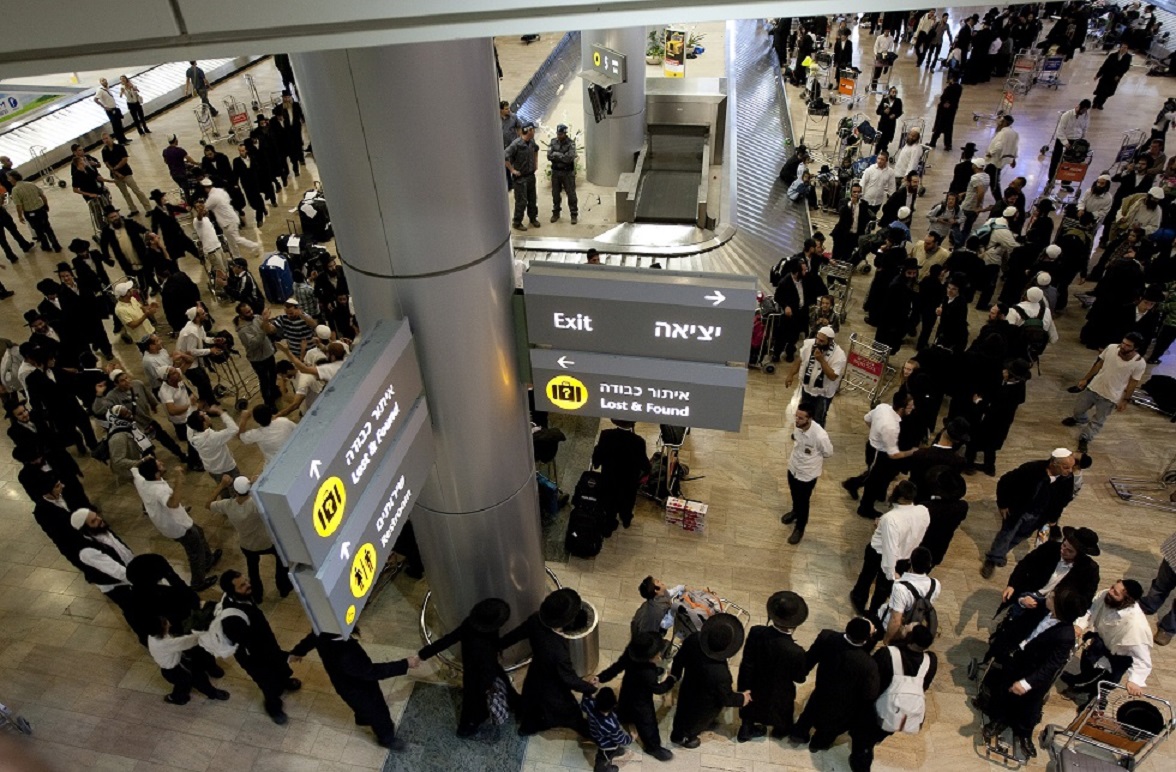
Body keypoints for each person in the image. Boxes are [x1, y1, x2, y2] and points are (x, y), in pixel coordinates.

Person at [978, 589, 1087, 761]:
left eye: (1053, 597)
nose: (1049, 595)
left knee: (1030, 705)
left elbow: (1052, 665)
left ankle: (1023, 733)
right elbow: (1022, 598)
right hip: (1017, 658)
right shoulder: (1043, 606)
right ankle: (999, 720)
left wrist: (1027, 683)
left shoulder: (1066, 635)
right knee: (1004, 691)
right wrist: (1023, 601)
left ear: (1059, 607)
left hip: (1035, 672)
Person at [289, 626, 420, 750]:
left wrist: (297, 652)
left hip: (343, 685)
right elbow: (372, 672)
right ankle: (387, 739)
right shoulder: (347, 655)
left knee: (360, 707)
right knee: (379, 713)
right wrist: (405, 664)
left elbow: (311, 639)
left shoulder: (323, 631)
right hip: (360, 689)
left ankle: (362, 719)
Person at [499, 588, 595, 737]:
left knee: (531, 703)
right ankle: (586, 730)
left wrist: (498, 645)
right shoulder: (558, 651)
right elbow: (568, 678)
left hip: (535, 674)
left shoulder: (535, 620)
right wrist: (589, 687)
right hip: (552, 685)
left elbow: (515, 635)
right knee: (568, 711)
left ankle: (527, 727)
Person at [418, 597, 519, 737]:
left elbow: (448, 640)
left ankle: (515, 704)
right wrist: (488, 686)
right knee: (474, 703)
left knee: (477, 697)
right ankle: (466, 729)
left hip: (475, 670)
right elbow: (487, 670)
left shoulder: (469, 625)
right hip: (480, 676)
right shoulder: (484, 646)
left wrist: (422, 654)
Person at [213, 570, 302, 723]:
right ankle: (274, 708)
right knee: (267, 683)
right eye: (242, 585)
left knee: (279, 668)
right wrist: (286, 656)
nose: (248, 585)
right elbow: (258, 648)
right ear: (232, 591)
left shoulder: (241, 597)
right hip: (253, 657)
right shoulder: (232, 620)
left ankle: (284, 681)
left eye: (246, 581)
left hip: (263, 643)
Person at [851, 624, 937, 772]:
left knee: (863, 739)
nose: (906, 625)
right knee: (881, 731)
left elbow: (870, 679)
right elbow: (924, 685)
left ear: (910, 638)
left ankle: (861, 763)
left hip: (877, 707)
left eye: (909, 627)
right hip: (901, 712)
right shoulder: (931, 661)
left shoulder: (888, 654)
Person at [982, 449, 1079, 577]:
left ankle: (1001, 552)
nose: (1070, 471)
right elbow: (1005, 481)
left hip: (1039, 515)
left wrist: (1053, 518)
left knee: (1020, 536)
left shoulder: (1067, 479)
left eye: (1072, 467)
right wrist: (1003, 503)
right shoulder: (1032, 469)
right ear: (1054, 463)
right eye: (1066, 467)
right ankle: (993, 558)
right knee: (1006, 534)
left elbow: (1062, 500)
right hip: (1018, 511)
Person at [131, 456, 221, 591]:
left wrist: (145, 460)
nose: (162, 463)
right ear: (156, 474)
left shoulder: (141, 480)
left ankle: (208, 560)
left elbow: (133, 468)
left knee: (199, 532)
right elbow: (173, 503)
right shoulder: (158, 491)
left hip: (169, 523)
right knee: (195, 552)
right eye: (159, 465)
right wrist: (179, 481)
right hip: (179, 526)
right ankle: (198, 582)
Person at [791, 617, 880, 751]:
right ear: (866, 638)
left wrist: (801, 674)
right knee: (831, 724)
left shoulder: (827, 637)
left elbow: (810, 659)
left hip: (822, 686)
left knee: (811, 709)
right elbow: (870, 693)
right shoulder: (868, 664)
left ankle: (799, 733)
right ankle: (818, 744)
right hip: (844, 700)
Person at [1063, 580, 1153, 703]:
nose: (1110, 592)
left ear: (1127, 601)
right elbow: (1092, 609)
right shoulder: (1106, 596)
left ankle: (1094, 701)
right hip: (1100, 641)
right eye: (1112, 588)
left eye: (1115, 593)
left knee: (1106, 683)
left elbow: (1142, 658)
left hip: (1120, 655)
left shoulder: (1136, 626)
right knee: (1088, 666)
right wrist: (1080, 625)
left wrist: (1135, 681)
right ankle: (1079, 681)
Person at [669, 613, 749, 748]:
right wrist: (742, 698)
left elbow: (679, 659)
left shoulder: (693, 639)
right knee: (696, 722)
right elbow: (726, 698)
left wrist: (674, 676)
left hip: (688, 687)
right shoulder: (721, 674)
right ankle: (684, 737)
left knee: (683, 711)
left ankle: (682, 732)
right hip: (705, 703)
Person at [850, 480, 930, 615]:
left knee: (869, 576)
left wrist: (891, 573)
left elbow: (890, 548)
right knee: (884, 589)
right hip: (904, 556)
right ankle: (875, 611)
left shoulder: (891, 518)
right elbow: (917, 533)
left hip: (881, 554)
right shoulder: (923, 511)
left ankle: (862, 602)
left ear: (899, 496)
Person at [736, 591, 808, 741]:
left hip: (755, 683)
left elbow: (747, 662)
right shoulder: (796, 652)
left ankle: (746, 728)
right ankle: (780, 731)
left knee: (750, 706)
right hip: (779, 690)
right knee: (783, 711)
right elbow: (799, 678)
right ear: (794, 624)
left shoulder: (756, 632)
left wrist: (744, 687)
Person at [209, 475, 292, 600]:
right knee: (282, 562)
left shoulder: (227, 505)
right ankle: (284, 588)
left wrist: (221, 485)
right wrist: (259, 484)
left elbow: (208, 504)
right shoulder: (256, 503)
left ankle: (257, 594)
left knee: (253, 570)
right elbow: (276, 499)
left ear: (234, 491)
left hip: (247, 545)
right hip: (267, 542)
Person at [596, 632, 676, 761]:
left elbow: (617, 667)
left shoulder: (631, 652)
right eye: (656, 654)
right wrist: (671, 680)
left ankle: (624, 717)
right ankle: (653, 747)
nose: (659, 656)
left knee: (624, 706)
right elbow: (658, 689)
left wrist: (600, 677)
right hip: (641, 700)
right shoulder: (648, 673)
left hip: (628, 687)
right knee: (647, 723)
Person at [1063, 333, 1147, 451]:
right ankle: (1079, 419)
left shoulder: (1139, 363)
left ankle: (1085, 438)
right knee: (1078, 409)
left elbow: (1133, 382)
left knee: (1098, 420)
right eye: (1123, 343)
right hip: (1094, 386)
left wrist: (1125, 400)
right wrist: (1086, 379)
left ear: (1135, 348)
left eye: (1128, 345)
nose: (1123, 346)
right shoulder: (1111, 348)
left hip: (1111, 396)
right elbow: (1099, 364)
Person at [843, 391, 917, 519]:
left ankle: (854, 485)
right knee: (873, 479)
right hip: (879, 453)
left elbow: (867, 419)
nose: (913, 408)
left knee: (876, 476)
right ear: (901, 409)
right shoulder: (891, 427)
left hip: (873, 447)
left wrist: (876, 432)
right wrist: (911, 452)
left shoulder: (882, 407)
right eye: (910, 406)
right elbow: (893, 455)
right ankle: (864, 507)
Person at [780, 402, 834, 545]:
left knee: (803, 501)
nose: (796, 420)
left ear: (809, 419)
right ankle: (795, 511)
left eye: (801, 418)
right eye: (796, 416)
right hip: (793, 467)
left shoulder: (820, 436)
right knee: (794, 493)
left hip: (807, 474)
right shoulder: (798, 426)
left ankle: (800, 528)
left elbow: (828, 452)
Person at [147, 615, 229, 705]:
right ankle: (211, 693)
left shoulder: (152, 637)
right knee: (197, 680)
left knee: (184, 686)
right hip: (176, 670)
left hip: (173, 667)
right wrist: (203, 634)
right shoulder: (165, 643)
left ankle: (179, 698)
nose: (169, 624)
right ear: (161, 629)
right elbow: (187, 642)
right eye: (166, 624)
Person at [590, 420, 651, 533]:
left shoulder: (606, 435)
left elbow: (598, 456)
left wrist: (597, 463)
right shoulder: (638, 441)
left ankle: (610, 522)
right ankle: (626, 519)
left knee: (609, 502)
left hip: (609, 479)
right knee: (627, 502)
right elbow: (644, 464)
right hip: (628, 482)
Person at [785, 327, 845, 426]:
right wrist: (790, 375)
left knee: (818, 418)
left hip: (823, 393)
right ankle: (802, 431)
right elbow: (800, 360)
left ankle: (816, 434)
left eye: (821, 341)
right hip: (807, 388)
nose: (817, 342)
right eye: (817, 338)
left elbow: (833, 376)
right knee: (804, 414)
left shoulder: (839, 355)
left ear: (830, 341)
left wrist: (821, 360)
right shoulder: (809, 344)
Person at [175, 305, 223, 406]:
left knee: (203, 384)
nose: (206, 314)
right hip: (189, 365)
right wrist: (210, 350)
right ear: (196, 317)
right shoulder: (192, 332)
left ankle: (204, 402)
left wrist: (214, 340)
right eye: (203, 314)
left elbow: (203, 339)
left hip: (194, 362)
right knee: (204, 384)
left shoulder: (199, 326)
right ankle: (212, 405)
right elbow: (192, 351)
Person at [581, 687, 632, 772]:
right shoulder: (611, 724)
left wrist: (588, 690)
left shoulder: (590, 704)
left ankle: (615, 751)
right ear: (613, 704)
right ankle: (601, 769)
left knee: (611, 749)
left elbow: (584, 703)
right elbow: (620, 739)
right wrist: (630, 738)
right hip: (606, 745)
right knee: (603, 757)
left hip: (594, 732)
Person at [8, 171, 60, 253]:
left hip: (30, 213)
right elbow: (42, 196)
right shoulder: (31, 184)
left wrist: (20, 216)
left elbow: (18, 205)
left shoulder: (15, 190)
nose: (8, 180)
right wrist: (46, 205)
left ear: (13, 179)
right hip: (41, 210)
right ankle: (56, 245)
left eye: (9, 178)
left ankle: (45, 246)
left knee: (38, 230)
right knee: (47, 228)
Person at [188, 407, 240, 486]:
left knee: (222, 485)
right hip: (227, 468)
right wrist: (221, 412)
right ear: (204, 423)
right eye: (204, 415)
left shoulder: (192, 436)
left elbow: (190, 420)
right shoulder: (213, 437)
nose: (206, 414)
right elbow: (234, 429)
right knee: (237, 486)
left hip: (212, 469)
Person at [99, 132, 149, 215]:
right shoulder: (104, 151)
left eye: (106, 138)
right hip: (116, 175)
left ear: (111, 138)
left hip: (126, 172)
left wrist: (116, 168)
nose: (106, 140)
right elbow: (106, 163)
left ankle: (148, 208)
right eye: (104, 139)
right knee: (125, 194)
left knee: (136, 190)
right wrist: (115, 172)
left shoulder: (120, 147)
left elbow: (124, 159)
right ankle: (133, 209)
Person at [506, 123, 541, 230]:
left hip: (530, 176)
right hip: (520, 179)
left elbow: (536, 150)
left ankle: (533, 218)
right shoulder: (516, 144)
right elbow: (505, 156)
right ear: (529, 131)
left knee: (532, 199)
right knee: (521, 201)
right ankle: (517, 222)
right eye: (533, 130)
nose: (534, 132)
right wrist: (512, 170)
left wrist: (535, 163)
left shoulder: (532, 142)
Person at [1049, 101, 1091, 184]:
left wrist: (1081, 139)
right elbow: (1060, 130)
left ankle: (1066, 182)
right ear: (1078, 106)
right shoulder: (1067, 115)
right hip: (1063, 139)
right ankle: (1051, 179)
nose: (1082, 112)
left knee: (1072, 162)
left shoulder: (1085, 116)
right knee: (1056, 160)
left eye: (1085, 110)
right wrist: (1066, 143)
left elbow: (1084, 128)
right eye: (1082, 110)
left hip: (1076, 140)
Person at [548, 124, 578, 224]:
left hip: (567, 173)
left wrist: (557, 154)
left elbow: (569, 158)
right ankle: (556, 213)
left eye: (561, 134)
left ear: (565, 133)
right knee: (555, 194)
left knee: (571, 194)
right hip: (556, 172)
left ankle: (573, 214)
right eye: (558, 133)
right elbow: (549, 156)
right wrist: (562, 156)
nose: (559, 136)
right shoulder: (553, 142)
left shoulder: (571, 143)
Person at [832, 183, 870, 263]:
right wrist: (850, 204)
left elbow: (865, 218)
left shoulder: (864, 204)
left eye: (858, 192)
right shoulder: (844, 201)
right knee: (836, 255)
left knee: (847, 255)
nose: (856, 194)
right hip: (842, 234)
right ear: (851, 192)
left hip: (854, 235)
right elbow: (841, 213)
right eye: (854, 192)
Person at [983, 115, 1018, 194]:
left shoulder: (1003, 133)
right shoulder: (1014, 133)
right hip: (1000, 160)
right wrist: (1013, 159)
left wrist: (991, 153)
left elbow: (999, 145)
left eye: (1002, 121)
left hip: (996, 160)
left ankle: (998, 199)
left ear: (1005, 122)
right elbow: (1015, 147)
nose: (999, 123)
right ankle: (978, 191)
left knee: (994, 183)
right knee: (984, 177)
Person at [1093, 42, 1133, 110]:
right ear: (1120, 48)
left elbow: (1125, 68)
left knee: (1108, 91)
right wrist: (1098, 75)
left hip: (1115, 78)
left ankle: (1100, 104)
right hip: (1106, 75)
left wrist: (1119, 75)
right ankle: (1095, 103)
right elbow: (1105, 65)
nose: (1123, 49)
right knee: (1101, 90)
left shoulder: (1128, 57)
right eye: (1122, 47)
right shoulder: (1112, 55)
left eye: (1125, 48)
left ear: (1127, 49)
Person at [929, 71, 962, 151]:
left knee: (939, 126)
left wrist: (945, 102)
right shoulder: (959, 87)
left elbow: (943, 98)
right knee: (948, 127)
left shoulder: (950, 88)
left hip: (944, 110)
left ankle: (933, 142)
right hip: (952, 110)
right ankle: (948, 144)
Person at [93, 78, 130, 144]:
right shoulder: (100, 90)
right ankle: (120, 141)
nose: (105, 82)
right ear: (100, 82)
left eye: (105, 80)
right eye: (103, 81)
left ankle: (123, 138)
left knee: (119, 125)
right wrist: (104, 106)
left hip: (114, 108)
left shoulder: (107, 88)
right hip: (110, 110)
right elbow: (95, 99)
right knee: (116, 126)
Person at [874, 88, 903, 155]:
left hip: (891, 125)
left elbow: (900, 112)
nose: (894, 93)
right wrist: (884, 112)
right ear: (889, 92)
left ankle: (884, 150)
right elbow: (878, 111)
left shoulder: (898, 101)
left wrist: (895, 115)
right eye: (893, 92)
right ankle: (876, 153)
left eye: (895, 92)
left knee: (887, 139)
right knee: (880, 139)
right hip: (882, 124)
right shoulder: (884, 100)